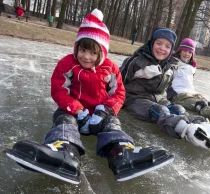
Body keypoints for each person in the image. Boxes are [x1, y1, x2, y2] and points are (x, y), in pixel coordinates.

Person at [4, 9, 174, 185]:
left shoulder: (110, 69)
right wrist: (76, 109)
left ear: (102, 52)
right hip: (75, 112)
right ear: (77, 47)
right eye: (83, 50)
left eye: (93, 53)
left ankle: (120, 153)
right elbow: (59, 89)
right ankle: (65, 150)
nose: (86, 57)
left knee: (113, 124)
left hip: (100, 115)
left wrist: (105, 110)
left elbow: (119, 93)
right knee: (63, 119)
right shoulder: (67, 64)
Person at [120, 27, 210, 152]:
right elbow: (118, 80)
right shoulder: (137, 62)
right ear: (151, 43)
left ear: (171, 50)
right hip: (135, 99)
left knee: (178, 109)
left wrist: (167, 100)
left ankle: (208, 128)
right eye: (159, 43)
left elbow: (165, 88)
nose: (162, 49)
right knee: (160, 111)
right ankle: (189, 132)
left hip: (158, 98)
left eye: (167, 46)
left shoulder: (170, 66)